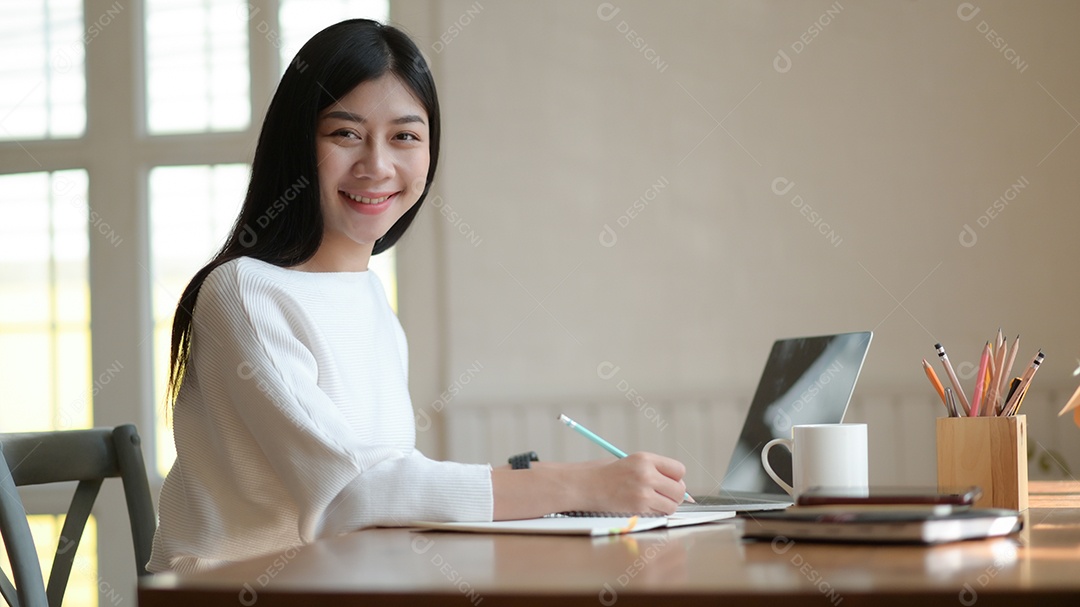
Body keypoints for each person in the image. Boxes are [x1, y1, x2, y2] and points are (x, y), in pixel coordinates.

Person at [147, 19, 687, 574]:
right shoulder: (245, 292)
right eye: (344, 133)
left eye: (404, 136)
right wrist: (576, 484)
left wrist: (542, 490)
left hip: (347, 581)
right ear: (296, 144)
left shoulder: (371, 301)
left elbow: (387, 480)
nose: (376, 166)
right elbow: (348, 495)